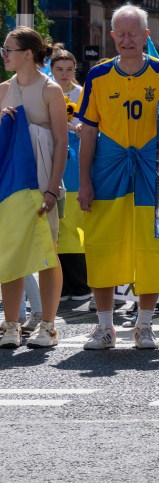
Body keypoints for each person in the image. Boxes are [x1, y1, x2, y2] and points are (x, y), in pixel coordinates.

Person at [77, 4, 159, 350]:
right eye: (120, 34)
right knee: (103, 244)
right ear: (112, 36)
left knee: (154, 245)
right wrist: (84, 180)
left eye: (132, 34)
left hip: (153, 170)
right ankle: (105, 326)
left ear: (146, 36)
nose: (126, 40)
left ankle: (145, 324)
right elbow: (89, 133)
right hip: (108, 170)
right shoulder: (97, 75)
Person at [0, 28, 69, 349]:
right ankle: (11, 325)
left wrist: (52, 190)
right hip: (11, 186)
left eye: (8, 50)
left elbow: (60, 142)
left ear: (27, 54)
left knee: (48, 253)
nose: (5, 55)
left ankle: (48, 325)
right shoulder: (3, 90)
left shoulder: (50, 90)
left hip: (43, 183)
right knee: (10, 254)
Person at [50, 46, 91, 304]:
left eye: (68, 69)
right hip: (53, 164)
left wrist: (79, 127)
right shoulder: (47, 93)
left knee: (76, 224)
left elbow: (93, 125)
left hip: (76, 165)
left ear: (75, 70)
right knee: (59, 227)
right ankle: (62, 284)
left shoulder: (83, 94)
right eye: (58, 69)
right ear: (51, 70)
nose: (64, 74)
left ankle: (81, 282)